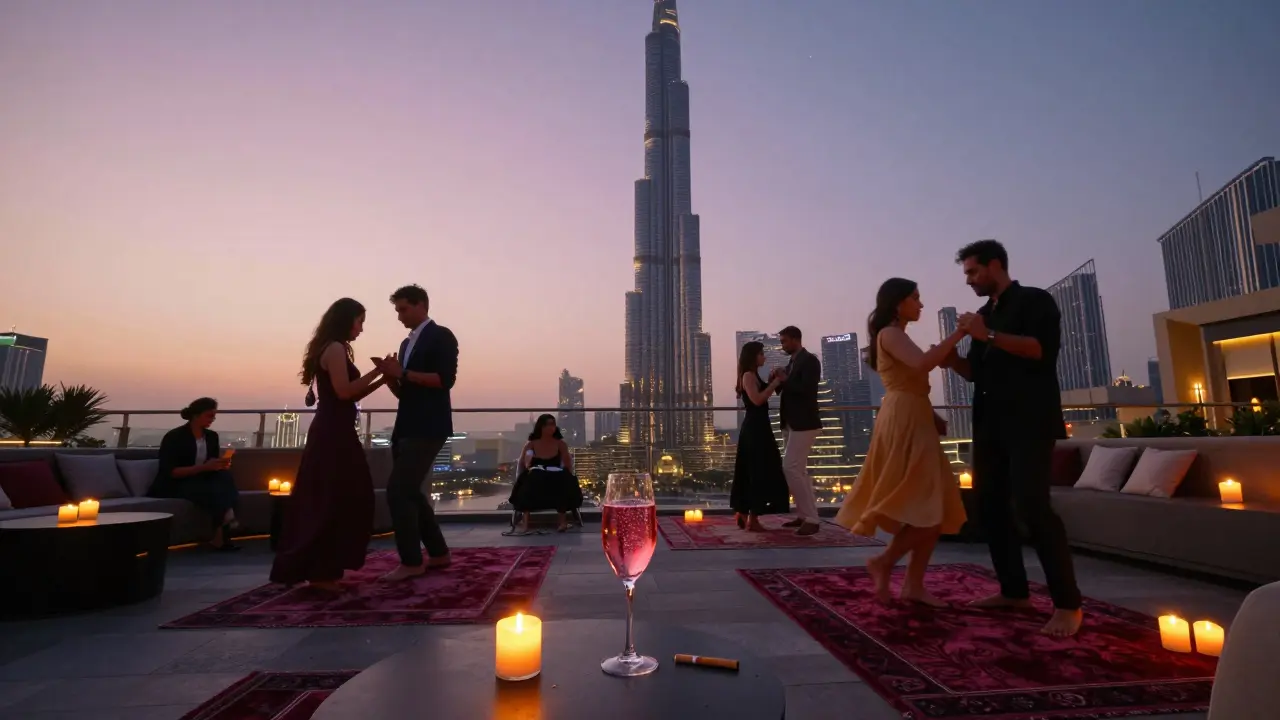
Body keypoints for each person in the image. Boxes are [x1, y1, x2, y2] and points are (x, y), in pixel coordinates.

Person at [945, 239, 1083, 637]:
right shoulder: (985, 316)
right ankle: (1014, 591)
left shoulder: (1034, 301)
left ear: (994, 265)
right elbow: (975, 372)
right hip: (989, 425)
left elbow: (1039, 350)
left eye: (973, 272)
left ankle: (1068, 603)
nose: (969, 280)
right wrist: (950, 355)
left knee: (1033, 505)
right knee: (989, 506)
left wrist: (986, 334)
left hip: (1029, 422)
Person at [835, 279, 968, 605]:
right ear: (898, 303)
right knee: (929, 503)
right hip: (905, 419)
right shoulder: (890, 334)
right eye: (915, 298)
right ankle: (886, 563)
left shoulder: (896, 335)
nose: (920, 304)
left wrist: (932, 416)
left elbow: (914, 380)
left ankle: (913, 583)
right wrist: (959, 333)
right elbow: (922, 364)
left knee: (930, 504)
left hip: (913, 415)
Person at [270, 298, 382, 592]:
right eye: (359, 321)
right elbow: (344, 392)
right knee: (334, 498)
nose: (361, 328)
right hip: (333, 433)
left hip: (336, 430)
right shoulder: (334, 349)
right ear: (346, 320)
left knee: (338, 496)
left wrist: (383, 378)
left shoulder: (333, 348)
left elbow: (347, 394)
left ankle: (325, 568)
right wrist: (378, 373)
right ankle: (320, 572)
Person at [372, 284, 457, 581]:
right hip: (406, 425)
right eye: (397, 310)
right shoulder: (406, 345)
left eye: (403, 309)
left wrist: (402, 373)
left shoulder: (441, 336)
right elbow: (405, 392)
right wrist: (390, 376)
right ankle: (438, 552)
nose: (399, 316)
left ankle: (411, 561)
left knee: (398, 492)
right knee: (410, 491)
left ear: (422, 305)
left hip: (429, 426)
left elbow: (444, 380)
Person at [152, 397, 240, 551]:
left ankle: (222, 528)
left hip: (202, 479)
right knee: (215, 491)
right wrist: (203, 468)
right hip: (176, 483)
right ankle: (225, 524)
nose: (213, 419)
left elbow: (210, 464)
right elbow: (171, 471)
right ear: (196, 415)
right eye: (209, 415)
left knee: (224, 477)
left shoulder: (212, 437)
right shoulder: (175, 437)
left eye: (214, 415)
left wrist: (219, 464)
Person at [729, 341, 790, 530]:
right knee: (758, 470)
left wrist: (772, 380)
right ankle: (752, 518)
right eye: (761, 354)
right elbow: (757, 400)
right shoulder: (748, 376)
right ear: (753, 356)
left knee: (755, 469)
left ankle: (745, 512)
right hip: (755, 429)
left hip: (759, 427)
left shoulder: (753, 375)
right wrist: (775, 383)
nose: (764, 356)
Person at [775, 325, 822, 536]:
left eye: (784, 341)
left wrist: (786, 380)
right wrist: (777, 381)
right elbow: (787, 390)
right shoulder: (792, 363)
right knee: (799, 471)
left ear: (795, 339)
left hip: (805, 422)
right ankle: (804, 515)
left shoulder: (810, 361)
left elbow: (807, 390)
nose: (782, 346)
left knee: (790, 467)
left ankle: (812, 518)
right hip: (791, 423)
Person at [508, 414, 583, 533]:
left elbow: (568, 464)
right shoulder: (531, 444)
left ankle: (562, 522)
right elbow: (526, 464)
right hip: (537, 474)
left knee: (563, 480)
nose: (551, 427)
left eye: (553, 424)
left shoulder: (560, 444)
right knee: (530, 480)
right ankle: (525, 523)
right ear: (541, 427)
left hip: (556, 475)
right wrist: (530, 458)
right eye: (548, 425)